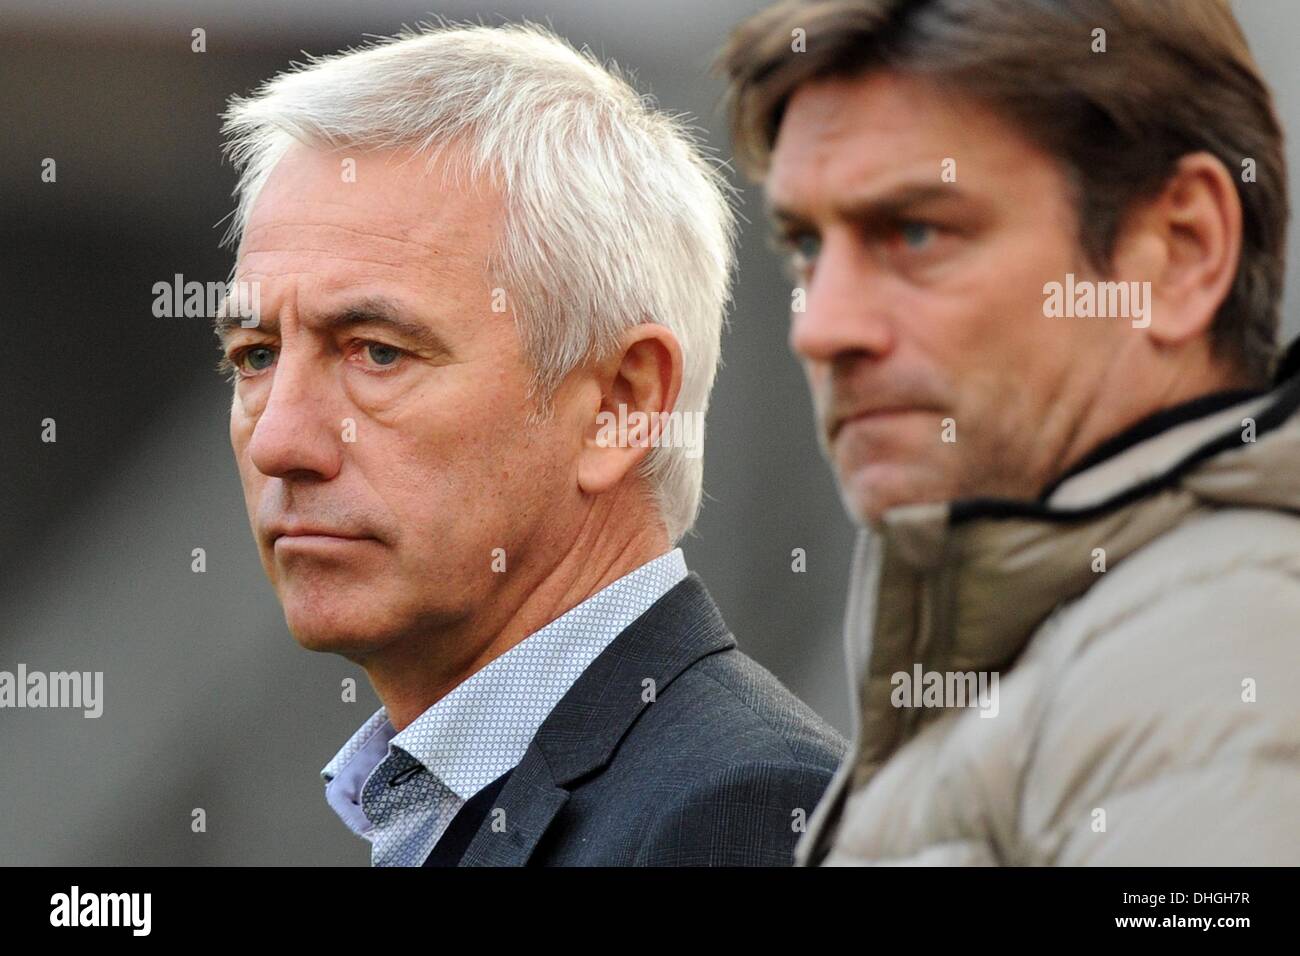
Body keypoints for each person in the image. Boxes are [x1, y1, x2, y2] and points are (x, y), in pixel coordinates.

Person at [215, 22, 844, 866]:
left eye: (377, 351)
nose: (280, 441)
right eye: (254, 356)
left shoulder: (744, 810)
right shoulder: (447, 797)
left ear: (621, 404)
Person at [720, 0, 1300, 864]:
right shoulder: (1085, 648)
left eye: (916, 231)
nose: (820, 325)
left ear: (1181, 250)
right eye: (807, 246)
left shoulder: (1213, 660)